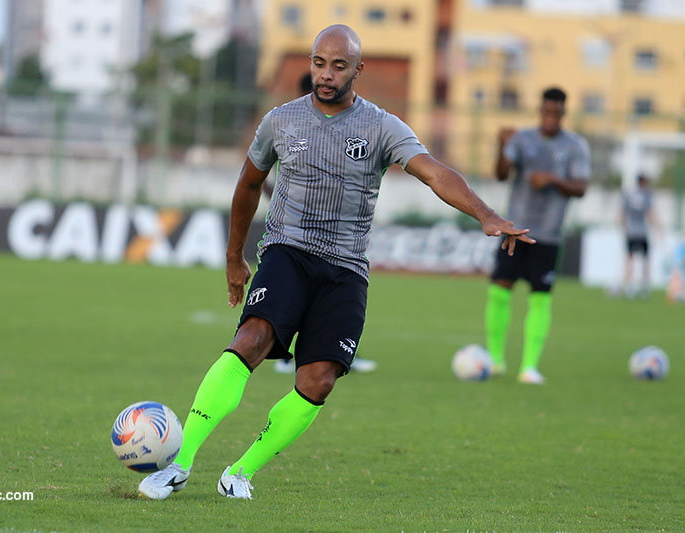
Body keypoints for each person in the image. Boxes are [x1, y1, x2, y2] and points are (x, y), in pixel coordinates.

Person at [139, 24, 533, 501]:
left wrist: (486, 215)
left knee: (319, 380)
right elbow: (246, 185)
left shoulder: (382, 126)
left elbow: (435, 173)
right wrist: (233, 258)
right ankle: (178, 465)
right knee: (252, 338)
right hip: (287, 251)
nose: (326, 74)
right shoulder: (281, 121)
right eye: (319, 63)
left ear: (358, 70)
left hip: (346, 269)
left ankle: (240, 472)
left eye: (339, 65)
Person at [269, 71, 378, 375]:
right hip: (306, 236)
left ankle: (328, 354)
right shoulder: (293, 123)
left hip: (331, 233)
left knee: (327, 300)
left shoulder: (290, 122)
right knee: (313, 294)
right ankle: (294, 357)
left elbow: (262, 174)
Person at [486, 87, 590, 385]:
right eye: (546, 112)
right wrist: (501, 146)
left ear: (563, 113)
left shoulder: (575, 146)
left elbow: (581, 188)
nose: (550, 117)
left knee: (540, 298)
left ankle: (529, 367)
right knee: (499, 290)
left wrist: (554, 180)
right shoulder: (522, 139)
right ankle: (495, 361)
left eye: (555, 113)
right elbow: (501, 174)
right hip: (515, 230)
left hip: (549, 235)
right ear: (540, 110)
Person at [620, 174, 658, 299]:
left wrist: (622, 227)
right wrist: (659, 229)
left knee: (629, 258)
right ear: (643, 182)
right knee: (645, 259)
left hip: (631, 231)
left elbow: (622, 214)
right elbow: (650, 213)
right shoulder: (647, 195)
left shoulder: (629, 194)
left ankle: (629, 287)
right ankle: (644, 286)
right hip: (642, 231)